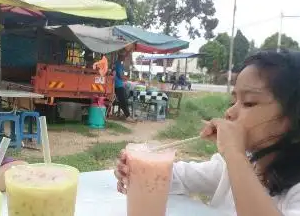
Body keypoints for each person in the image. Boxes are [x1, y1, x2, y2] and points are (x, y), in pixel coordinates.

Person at [115, 50, 300, 215]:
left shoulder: (293, 190)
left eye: (249, 103)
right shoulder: (236, 165)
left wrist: (235, 154)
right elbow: (179, 177)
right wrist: (136, 170)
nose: (229, 112)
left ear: (293, 117)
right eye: (233, 101)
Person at [114, 51, 134, 123]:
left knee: (124, 100)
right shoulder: (118, 64)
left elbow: (122, 75)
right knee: (123, 101)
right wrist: (126, 78)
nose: (125, 58)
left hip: (119, 84)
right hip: (118, 85)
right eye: (124, 56)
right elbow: (120, 76)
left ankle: (126, 115)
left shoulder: (119, 64)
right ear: (120, 56)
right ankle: (127, 116)